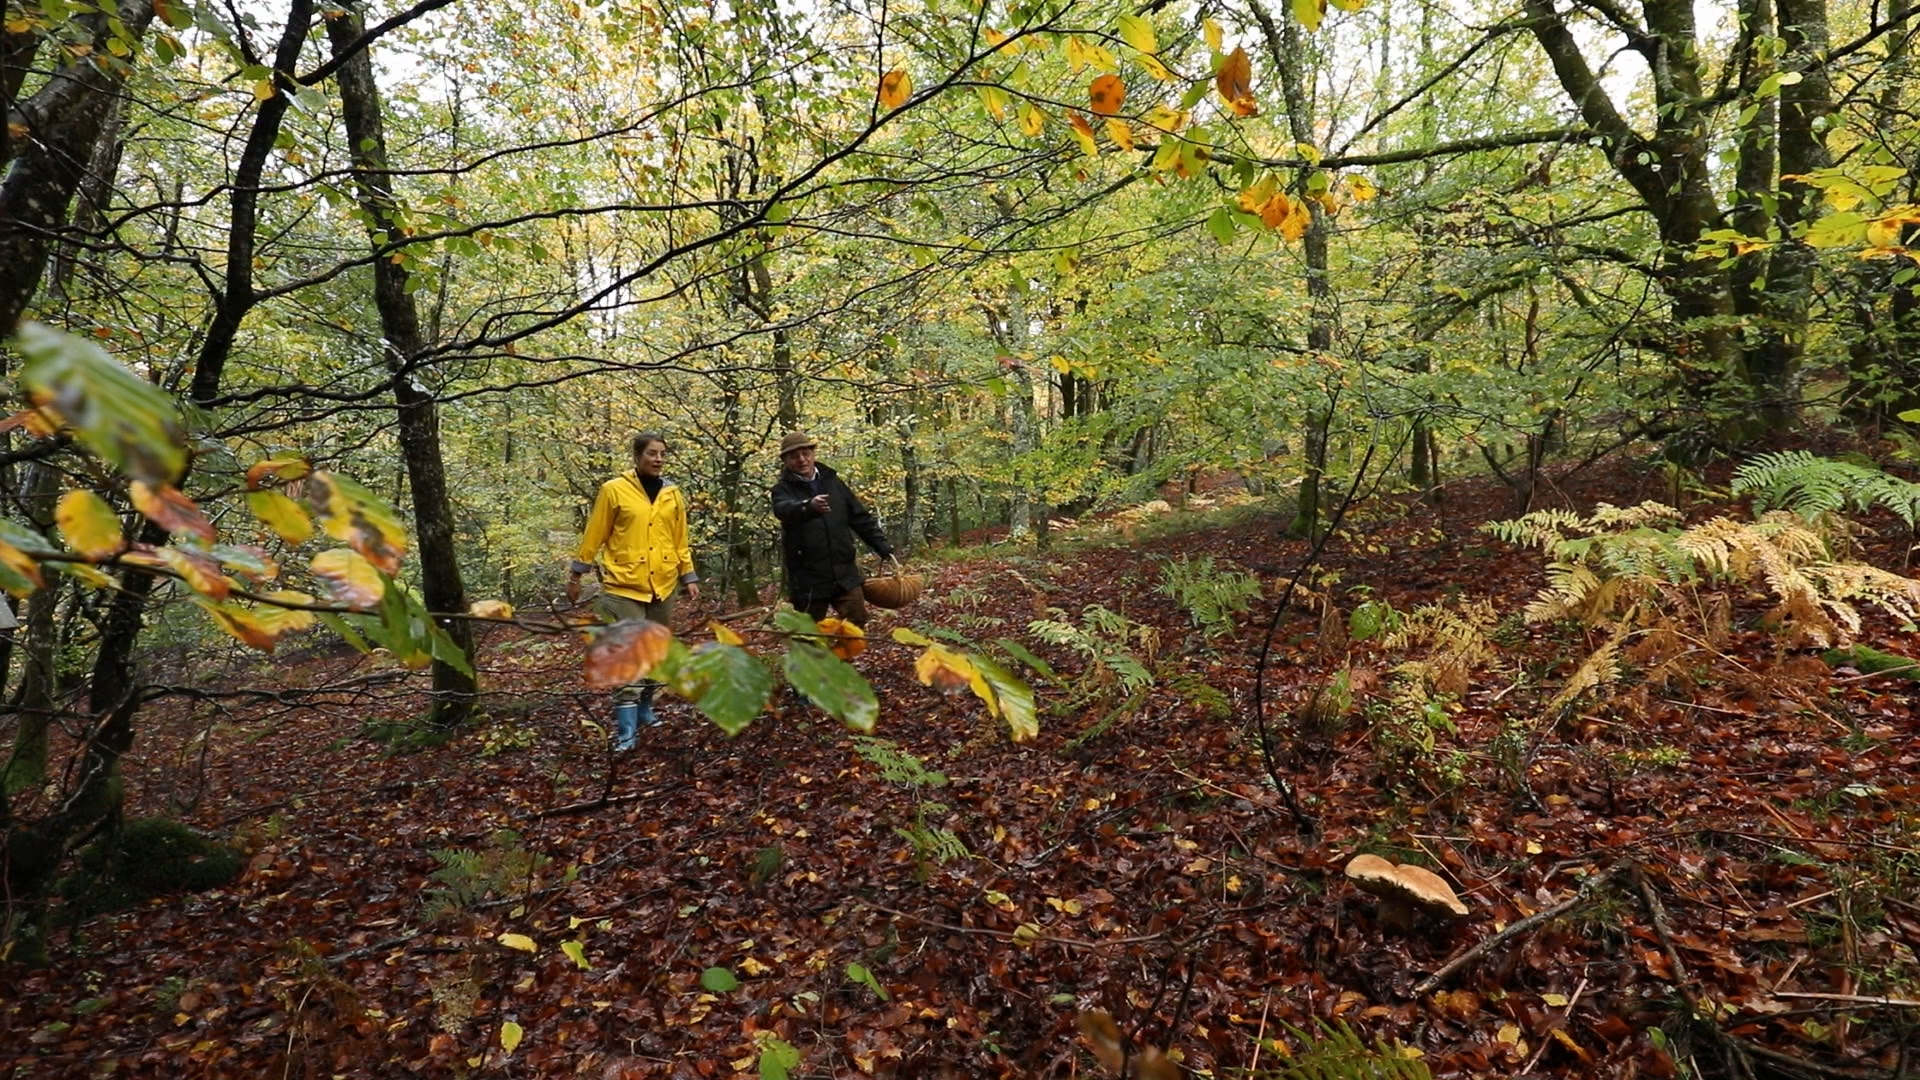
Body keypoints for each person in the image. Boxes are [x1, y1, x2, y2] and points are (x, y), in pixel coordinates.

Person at [569, 433, 699, 750]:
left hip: (663, 585)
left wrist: (689, 576)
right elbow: (594, 533)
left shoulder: (672, 494)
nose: (658, 459)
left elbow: (679, 539)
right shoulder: (614, 491)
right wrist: (577, 573)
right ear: (637, 456)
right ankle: (626, 733)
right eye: (652, 453)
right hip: (623, 586)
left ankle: (645, 710)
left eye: (662, 454)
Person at [769, 431, 895, 630]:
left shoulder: (833, 482)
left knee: (857, 622)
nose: (801, 460)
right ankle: (817, 660)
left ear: (813, 454)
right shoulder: (782, 490)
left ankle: (843, 660)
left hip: (844, 572)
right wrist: (808, 506)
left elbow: (860, 518)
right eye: (794, 456)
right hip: (808, 578)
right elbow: (783, 509)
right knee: (809, 633)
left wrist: (882, 546)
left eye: (805, 453)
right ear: (785, 460)